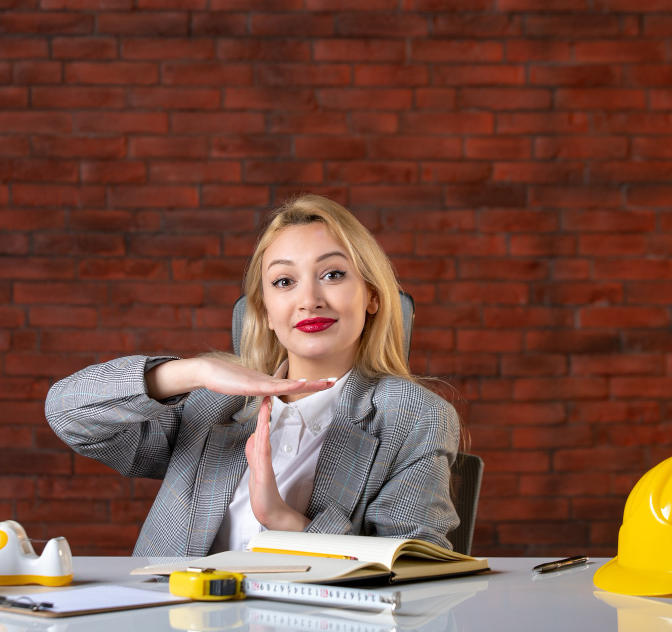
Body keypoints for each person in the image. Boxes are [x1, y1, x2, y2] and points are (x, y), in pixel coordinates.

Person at [45, 195, 461, 557]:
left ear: (371, 295)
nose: (309, 300)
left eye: (333, 274)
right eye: (284, 281)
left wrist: (285, 521)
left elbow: (411, 564)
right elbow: (68, 414)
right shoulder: (212, 402)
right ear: (264, 312)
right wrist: (194, 370)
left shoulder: (413, 415)